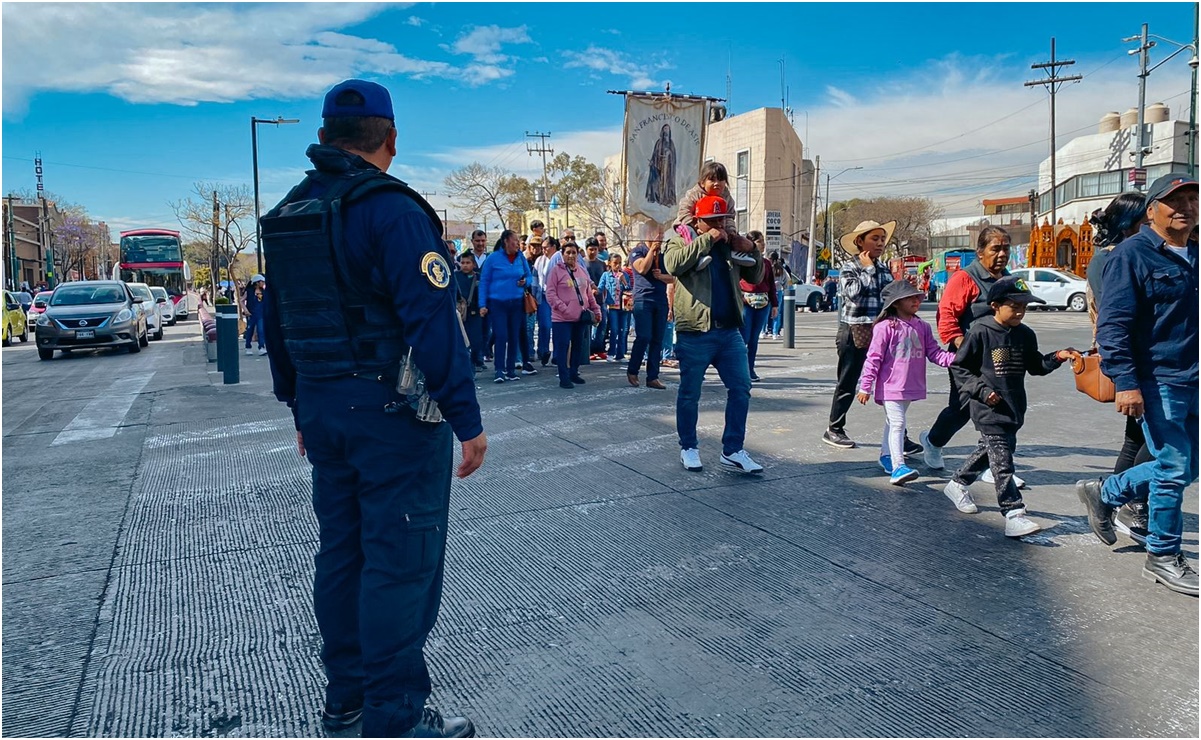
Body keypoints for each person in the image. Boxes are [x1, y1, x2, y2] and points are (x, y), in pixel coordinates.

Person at [258, 79, 484, 738]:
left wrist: (297, 403)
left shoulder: (291, 210)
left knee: (343, 557)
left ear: (325, 137)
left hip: (324, 409)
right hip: (390, 417)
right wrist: (465, 419)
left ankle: (347, 703)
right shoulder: (392, 209)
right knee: (399, 564)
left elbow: (279, 321)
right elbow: (431, 320)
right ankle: (394, 718)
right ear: (390, 139)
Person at [1078, 172, 1199, 596]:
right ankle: (1163, 556)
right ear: (1152, 211)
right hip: (1158, 380)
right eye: (1175, 201)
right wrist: (1127, 383)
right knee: (1174, 467)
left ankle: (1105, 491)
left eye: (1192, 199)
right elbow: (1113, 326)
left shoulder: (1197, 254)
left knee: (1190, 467)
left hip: (1195, 378)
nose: (1185, 208)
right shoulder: (1132, 255)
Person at [943, 276, 1073, 537]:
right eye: (1014, 306)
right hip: (987, 408)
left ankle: (958, 482)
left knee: (990, 452)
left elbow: (1036, 366)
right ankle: (1014, 512)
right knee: (1002, 463)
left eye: (1024, 307)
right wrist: (982, 391)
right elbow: (960, 367)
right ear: (995, 305)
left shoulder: (1025, 335)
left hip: (1013, 408)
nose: (1020, 312)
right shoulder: (980, 331)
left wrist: (1058, 356)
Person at [663, 194, 764, 474]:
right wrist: (707, 239)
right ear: (698, 221)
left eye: (722, 219)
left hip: (729, 330)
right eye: (711, 221)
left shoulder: (732, 240)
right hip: (695, 330)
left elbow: (754, 278)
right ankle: (689, 447)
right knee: (689, 393)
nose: (719, 225)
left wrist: (753, 250)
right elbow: (673, 265)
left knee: (741, 388)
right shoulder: (680, 237)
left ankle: (733, 450)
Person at [921, 226, 1019, 489]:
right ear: (980, 252)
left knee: (999, 409)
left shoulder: (1007, 279)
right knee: (963, 408)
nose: (1001, 254)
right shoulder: (965, 278)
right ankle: (932, 441)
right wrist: (963, 344)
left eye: (1006, 248)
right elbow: (947, 315)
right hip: (968, 357)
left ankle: (993, 463)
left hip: (998, 355)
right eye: (995, 248)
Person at [1086, 192, 1151, 545]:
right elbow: (1117, 319)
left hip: (1150, 360)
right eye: (1147, 220)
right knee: (1166, 445)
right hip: (1138, 360)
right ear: (1129, 224)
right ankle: (1125, 497)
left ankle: (1113, 499)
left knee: (1138, 437)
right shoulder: (1115, 258)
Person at [856, 280, 956, 485]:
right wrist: (865, 386)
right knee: (898, 423)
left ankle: (886, 455)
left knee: (892, 422)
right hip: (890, 386)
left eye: (917, 297)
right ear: (895, 303)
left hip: (911, 385)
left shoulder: (923, 326)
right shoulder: (885, 327)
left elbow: (935, 354)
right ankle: (898, 465)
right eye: (909, 298)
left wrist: (957, 359)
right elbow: (873, 358)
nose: (915, 301)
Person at [821, 220, 899, 450]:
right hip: (854, 331)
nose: (880, 243)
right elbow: (853, 294)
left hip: (881, 331)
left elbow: (890, 298)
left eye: (882, 239)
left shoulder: (884, 268)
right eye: (874, 239)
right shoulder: (849, 267)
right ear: (860, 241)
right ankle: (834, 428)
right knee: (848, 380)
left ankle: (897, 433)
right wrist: (868, 270)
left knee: (890, 381)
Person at [545, 242, 602, 388]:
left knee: (578, 346)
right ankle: (564, 377)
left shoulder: (581, 271)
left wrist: (596, 310)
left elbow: (588, 294)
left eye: (573, 252)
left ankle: (574, 372)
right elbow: (550, 294)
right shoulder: (556, 271)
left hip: (580, 317)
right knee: (562, 347)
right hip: (562, 319)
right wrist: (563, 308)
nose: (571, 255)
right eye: (568, 252)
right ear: (562, 254)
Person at [480, 229, 533, 384]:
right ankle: (499, 370)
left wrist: (525, 282)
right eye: (514, 240)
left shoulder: (520, 258)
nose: (517, 243)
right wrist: (482, 304)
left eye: (517, 240)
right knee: (501, 335)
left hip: (516, 303)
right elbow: (484, 281)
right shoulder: (493, 258)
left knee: (513, 336)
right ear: (506, 242)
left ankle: (510, 370)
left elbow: (529, 276)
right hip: (497, 303)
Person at [627, 239, 674, 389]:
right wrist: (651, 251)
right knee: (644, 336)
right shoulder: (638, 251)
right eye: (656, 234)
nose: (659, 237)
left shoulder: (665, 255)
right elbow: (642, 269)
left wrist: (661, 276)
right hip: (643, 299)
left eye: (661, 234)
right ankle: (633, 370)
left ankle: (652, 377)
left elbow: (674, 278)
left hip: (660, 300)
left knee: (657, 339)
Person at [739, 231, 777, 382]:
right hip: (746, 302)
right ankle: (740, 370)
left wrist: (774, 304)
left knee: (754, 339)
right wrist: (741, 297)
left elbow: (771, 284)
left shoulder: (766, 263)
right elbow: (735, 280)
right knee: (744, 338)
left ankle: (750, 369)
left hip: (763, 303)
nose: (764, 244)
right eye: (760, 241)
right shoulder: (742, 260)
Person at [598, 253, 633, 362]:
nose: (617, 266)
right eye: (615, 263)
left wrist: (624, 281)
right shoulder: (606, 275)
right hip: (613, 306)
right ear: (610, 263)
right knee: (614, 330)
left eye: (619, 263)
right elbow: (600, 287)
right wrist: (595, 291)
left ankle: (620, 354)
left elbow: (629, 289)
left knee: (623, 330)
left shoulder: (624, 275)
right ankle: (611, 352)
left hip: (624, 307)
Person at [454, 251, 484, 371]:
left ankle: (476, 360)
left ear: (474, 264)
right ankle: (468, 368)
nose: (465, 265)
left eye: (468, 263)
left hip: (475, 313)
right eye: (462, 263)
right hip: (460, 314)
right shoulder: (455, 277)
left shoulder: (478, 277)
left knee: (476, 341)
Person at [583, 237, 608, 359]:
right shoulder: (582, 263)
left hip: (600, 299)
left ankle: (599, 348)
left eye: (595, 249)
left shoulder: (602, 264)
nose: (593, 251)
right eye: (590, 249)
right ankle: (589, 350)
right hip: (586, 300)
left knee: (602, 324)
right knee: (588, 325)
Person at [242, 274, 267, 355]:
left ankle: (261, 347)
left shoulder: (263, 292)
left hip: (260, 314)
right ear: (257, 282)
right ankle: (248, 347)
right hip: (251, 314)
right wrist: (245, 310)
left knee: (261, 330)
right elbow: (241, 300)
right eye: (262, 282)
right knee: (250, 330)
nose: (263, 283)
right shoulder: (249, 291)